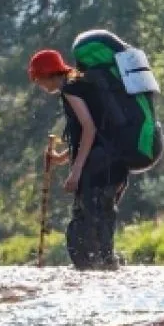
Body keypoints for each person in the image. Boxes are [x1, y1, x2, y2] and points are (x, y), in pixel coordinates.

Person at [28, 49, 126, 271]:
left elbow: (89, 129)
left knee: (82, 235)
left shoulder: (70, 90)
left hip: (98, 169)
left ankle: (95, 280)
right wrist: (62, 158)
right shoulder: (83, 86)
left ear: (48, 74)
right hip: (115, 164)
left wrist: (75, 171)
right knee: (100, 227)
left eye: (38, 79)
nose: (39, 85)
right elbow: (93, 132)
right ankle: (107, 274)